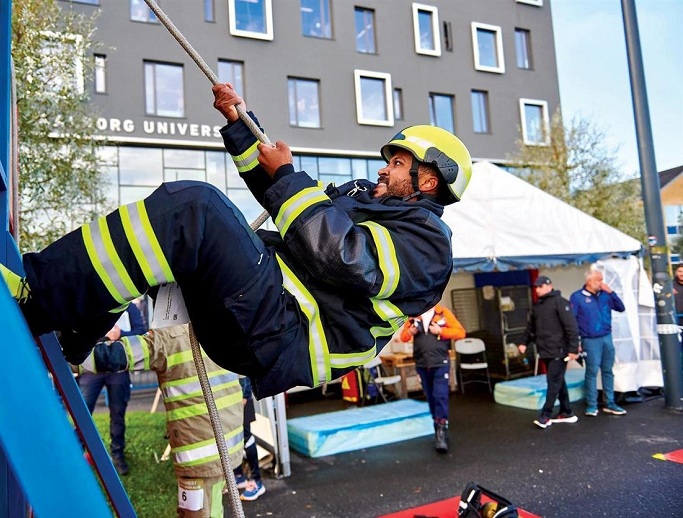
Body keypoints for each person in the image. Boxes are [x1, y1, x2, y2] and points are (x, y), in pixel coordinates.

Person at [1, 81, 473, 399]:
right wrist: (241, 125)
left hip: (282, 329)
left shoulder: (427, 245)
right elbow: (284, 202)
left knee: (195, 209)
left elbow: (341, 257)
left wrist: (291, 177)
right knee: (177, 229)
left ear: (429, 180)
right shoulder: (371, 204)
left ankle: (39, 298)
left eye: (397, 163)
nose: (382, 169)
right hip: (267, 310)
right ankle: (74, 331)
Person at [81, 324, 244, 518]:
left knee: (198, 513)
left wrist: (66, 353)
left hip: (198, 458)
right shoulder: (223, 327)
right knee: (215, 508)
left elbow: (112, 355)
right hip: (228, 447)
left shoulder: (170, 338)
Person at [77, 302, 146, 475]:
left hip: (118, 368)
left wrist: (121, 333)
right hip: (92, 367)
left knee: (118, 413)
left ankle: (118, 455)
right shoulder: (93, 300)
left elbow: (141, 331)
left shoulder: (130, 308)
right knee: (83, 411)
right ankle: (76, 454)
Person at [399, 304, 465, 453]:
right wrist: (410, 331)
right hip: (422, 363)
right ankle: (439, 424)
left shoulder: (443, 313)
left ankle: (440, 430)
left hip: (440, 362)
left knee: (440, 395)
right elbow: (403, 337)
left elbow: (460, 333)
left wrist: (440, 331)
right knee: (430, 397)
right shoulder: (413, 314)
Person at [517, 276, 580, 429]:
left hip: (559, 350)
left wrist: (573, 349)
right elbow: (531, 327)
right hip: (544, 350)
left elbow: (571, 327)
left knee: (553, 382)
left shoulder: (560, 302)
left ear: (549, 286)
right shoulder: (538, 305)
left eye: (540, 286)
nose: (537, 289)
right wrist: (523, 342)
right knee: (558, 381)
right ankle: (567, 412)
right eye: (536, 287)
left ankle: (545, 415)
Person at [570, 266, 627, 417]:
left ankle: (610, 403)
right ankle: (592, 405)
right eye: (598, 279)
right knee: (592, 371)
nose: (601, 282)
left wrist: (612, 293)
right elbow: (573, 321)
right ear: (589, 281)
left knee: (608, 370)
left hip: (607, 337)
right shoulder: (577, 297)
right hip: (590, 339)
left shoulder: (605, 295)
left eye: (602, 279)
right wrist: (577, 343)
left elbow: (621, 308)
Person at [233, 376, 266, 501]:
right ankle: (239, 475)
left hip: (240, 397)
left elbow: (241, 369)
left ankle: (256, 481)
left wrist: (245, 395)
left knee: (246, 438)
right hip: (230, 400)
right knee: (234, 438)